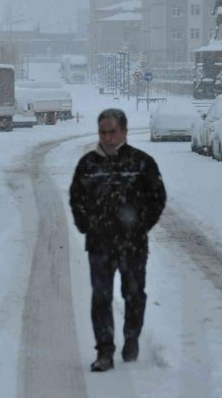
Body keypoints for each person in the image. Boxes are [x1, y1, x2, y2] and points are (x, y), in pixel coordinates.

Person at [69, 108, 166, 372]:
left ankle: (131, 338)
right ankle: (104, 351)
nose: (108, 137)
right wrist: (86, 225)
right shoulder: (88, 164)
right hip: (99, 245)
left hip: (133, 245)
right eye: (103, 132)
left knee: (134, 294)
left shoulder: (141, 163)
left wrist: (139, 227)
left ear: (124, 131)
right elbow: (76, 198)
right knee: (100, 298)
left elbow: (157, 198)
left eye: (113, 132)